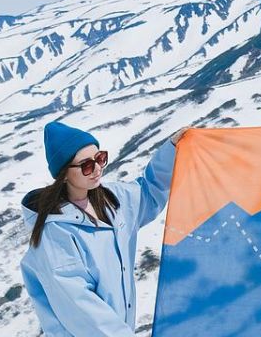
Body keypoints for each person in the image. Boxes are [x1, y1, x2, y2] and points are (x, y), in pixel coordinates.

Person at [20, 120, 185, 336]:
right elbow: (82, 310)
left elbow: (149, 192)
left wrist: (172, 151)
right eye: (86, 165)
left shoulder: (113, 200)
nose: (97, 169)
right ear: (64, 174)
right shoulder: (55, 235)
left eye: (100, 158)